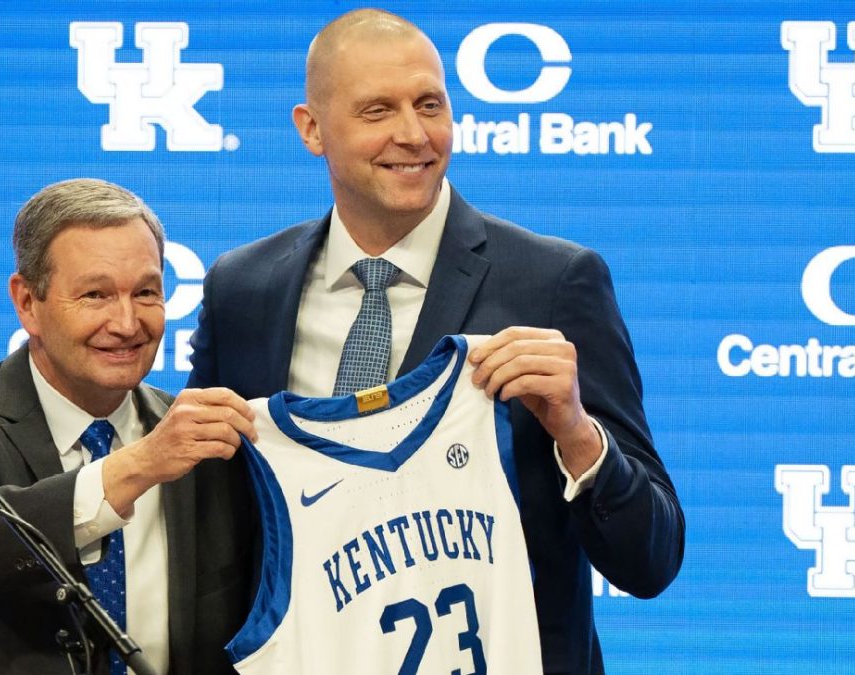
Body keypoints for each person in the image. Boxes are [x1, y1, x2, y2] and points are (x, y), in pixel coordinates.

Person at [187, 9, 684, 674]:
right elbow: (213, 530)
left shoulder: (556, 282)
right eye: (377, 110)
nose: (413, 134)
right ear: (311, 129)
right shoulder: (240, 291)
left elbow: (651, 560)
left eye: (430, 104)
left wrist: (577, 434)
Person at [0, 178, 257, 674]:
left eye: (145, 292)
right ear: (28, 302)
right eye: (95, 295)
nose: (125, 322)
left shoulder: (207, 446)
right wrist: (142, 463)